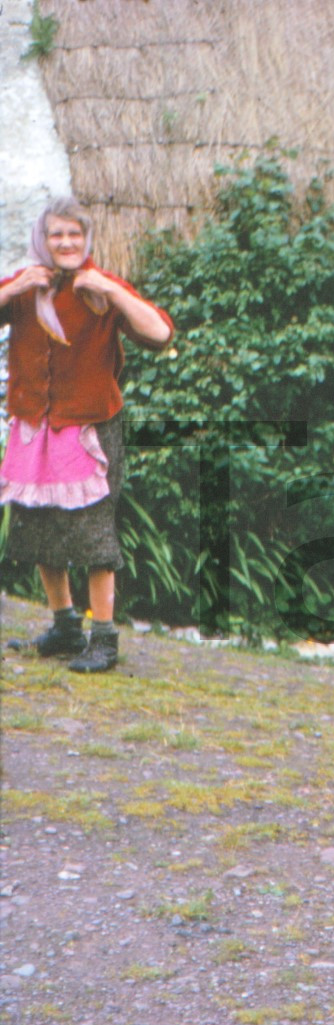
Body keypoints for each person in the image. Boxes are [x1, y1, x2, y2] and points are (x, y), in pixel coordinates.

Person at [0, 197, 174, 673]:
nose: (66, 242)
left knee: (95, 533)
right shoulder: (23, 288)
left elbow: (160, 334)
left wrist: (111, 292)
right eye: (57, 234)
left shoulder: (102, 288)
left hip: (90, 429)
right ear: (44, 239)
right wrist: (13, 287)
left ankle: (104, 639)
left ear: (87, 239)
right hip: (34, 426)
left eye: (74, 234)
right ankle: (63, 626)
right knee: (36, 524)